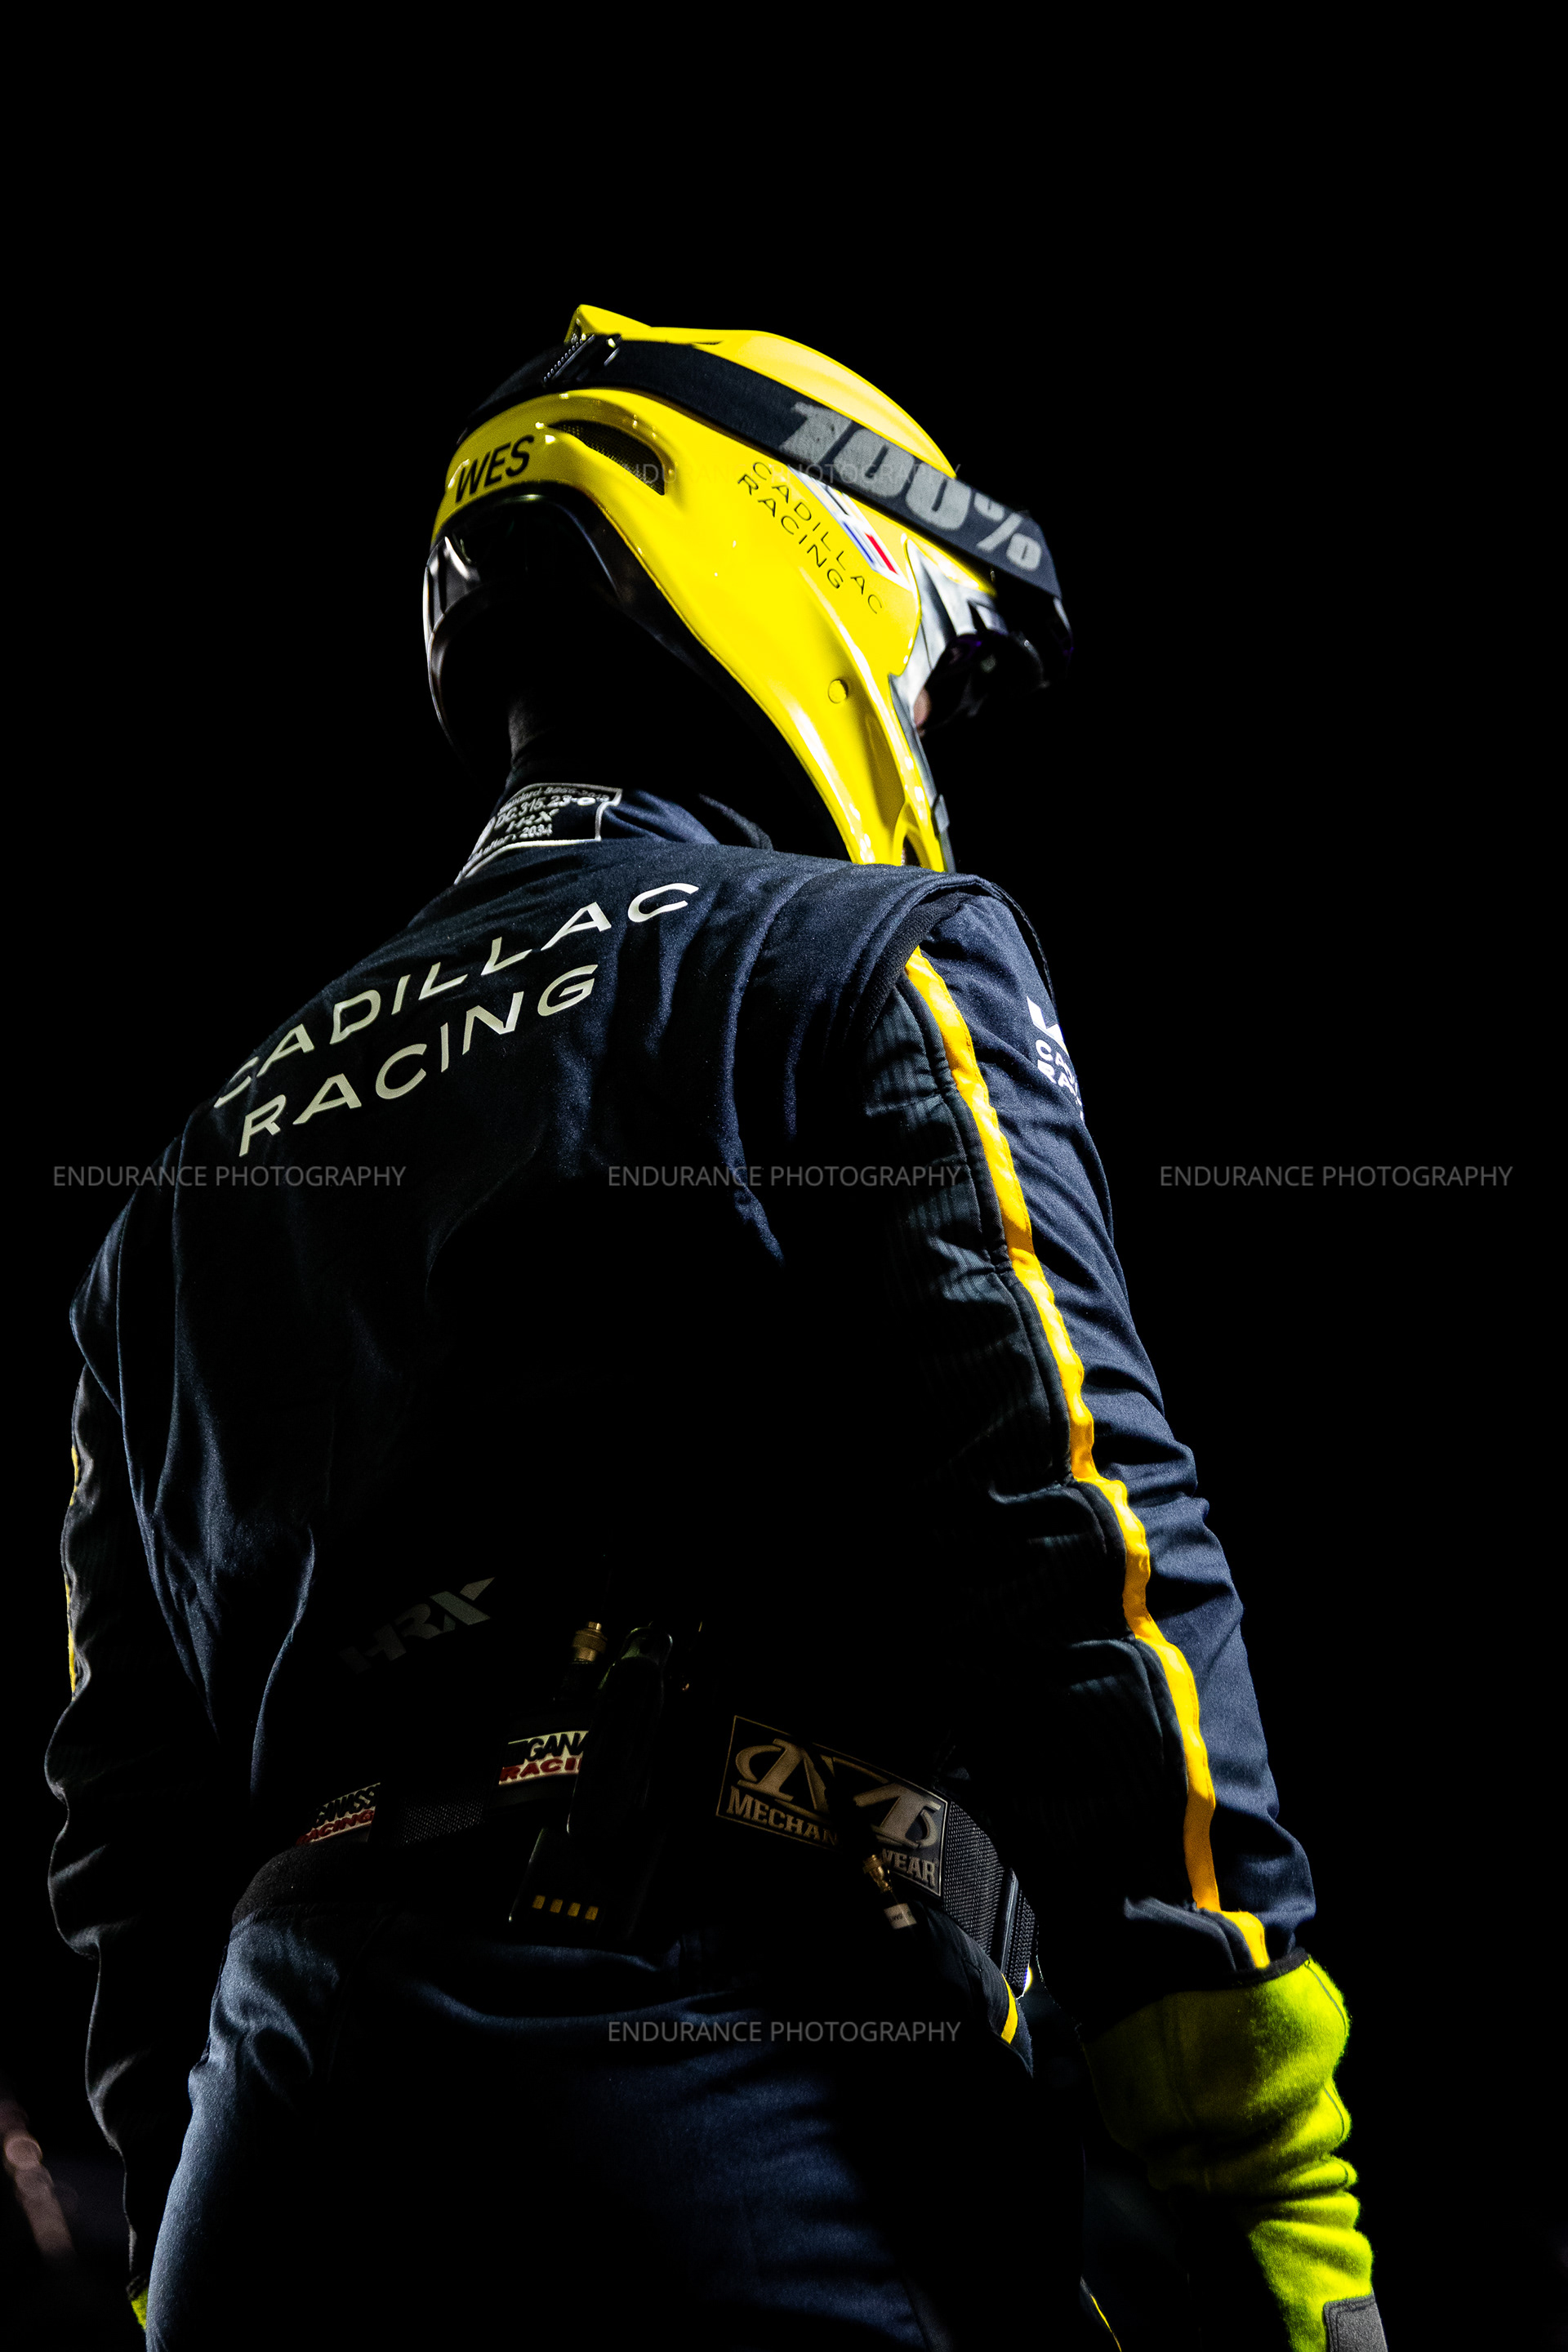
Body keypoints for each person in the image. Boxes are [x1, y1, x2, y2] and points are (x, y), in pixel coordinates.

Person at [47, 306, 1384, 2350]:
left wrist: (188, 2233)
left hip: (276, 2155)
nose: (933, 750)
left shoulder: (179, 1186)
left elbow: (126, 1848)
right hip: (722, 2078)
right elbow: (1091, 1535)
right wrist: (1263, 2162)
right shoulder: (868, 956)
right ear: (809, 560)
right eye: (945, 691)